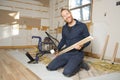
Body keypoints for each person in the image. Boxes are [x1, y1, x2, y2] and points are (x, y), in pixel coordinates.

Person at [46, 8, 91, 77]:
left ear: (70, 13)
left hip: (77, 53)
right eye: (64, 16)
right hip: (67, 52)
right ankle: (70, 62)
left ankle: (80, 63)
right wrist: (57, 49)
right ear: (63, 18)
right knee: (50, 67)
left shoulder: (82, 26)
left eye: (67, 14)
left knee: (67, 73)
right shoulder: (64, 28)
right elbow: (63, 40)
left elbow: (88, 40)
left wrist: (81, 45)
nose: (66, 16)